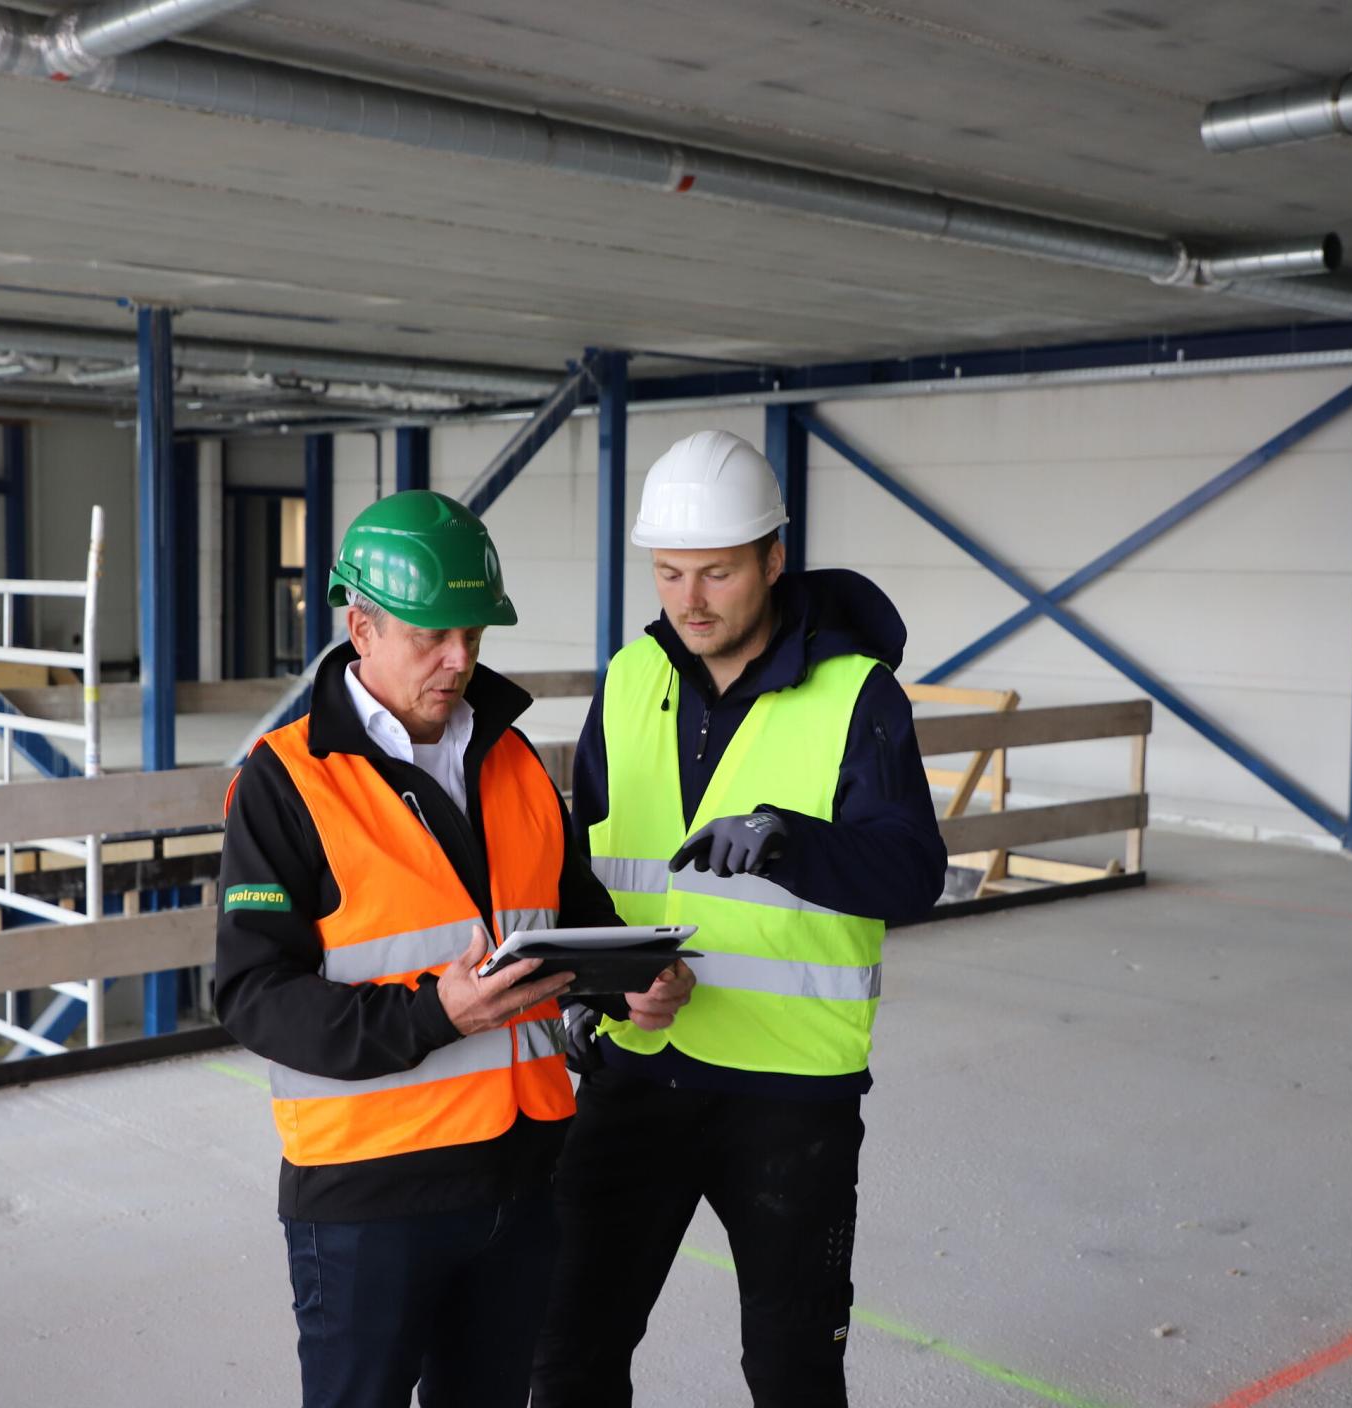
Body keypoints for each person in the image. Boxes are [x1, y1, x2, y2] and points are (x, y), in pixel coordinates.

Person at [214, 489, 692, 1408]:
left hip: (521, 1179)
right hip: (369, 1199)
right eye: (432, 635)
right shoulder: (286, 780)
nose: (460, 658)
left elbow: (573, 917)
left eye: (472, 632)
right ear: (361, 627)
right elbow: (252, 996)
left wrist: (627, 984)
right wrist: (436, 1012)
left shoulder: (513, 761)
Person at [532, 430, 947, 1408]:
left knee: (792, 1370)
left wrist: (790, 840)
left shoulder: (857, 696)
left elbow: (912, 872)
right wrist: (592, 990)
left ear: (772, 557)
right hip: (635, 1071)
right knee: (563, 1353)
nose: (689, 599)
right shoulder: (630, 679)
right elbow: (588, 864)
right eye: (669, 573)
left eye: (716, 572)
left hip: (790, 1096)